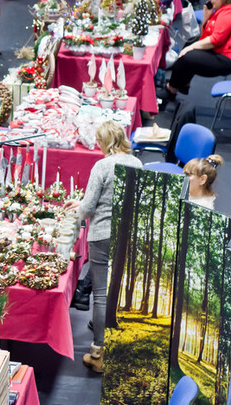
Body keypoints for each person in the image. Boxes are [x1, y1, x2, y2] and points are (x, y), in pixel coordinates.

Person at [63, 121, 142, 374]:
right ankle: (120, 346)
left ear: (105, 141)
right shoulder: (137, 163)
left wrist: (79, 209)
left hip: (101, 235)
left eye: (98, 140)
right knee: (120, 292)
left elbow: (88, 209)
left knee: (100, 295)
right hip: (128, 236)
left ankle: (98, 353)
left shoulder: (102, 166)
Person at [167, 0, 231, 98]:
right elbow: (205, 36)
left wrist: (190, 48)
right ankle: (183, 85)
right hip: (219, 50)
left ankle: (171, 88)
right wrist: (206, 18)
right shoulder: (220, 11)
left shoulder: (227, 14)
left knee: (187, 57)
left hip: (226, 58)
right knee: (191, 42)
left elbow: (214, 40)